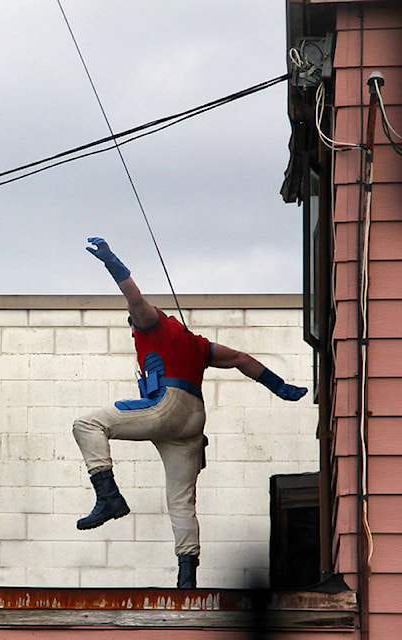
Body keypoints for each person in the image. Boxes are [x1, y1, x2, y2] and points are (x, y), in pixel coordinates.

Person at [73, 237, 307, 589]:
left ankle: (108, 496)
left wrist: (112, 262)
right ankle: (187, 576)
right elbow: (242, 359)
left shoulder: (150, 326)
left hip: (166, 406)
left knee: (87, 424)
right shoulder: (198, 344)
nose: (133, 326)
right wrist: (280, 388)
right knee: (181, 499)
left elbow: (134, 298)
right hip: (192, 421)